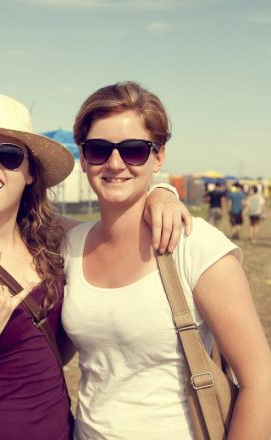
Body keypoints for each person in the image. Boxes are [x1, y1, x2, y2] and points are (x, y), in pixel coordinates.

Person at [0, 93, 189, 440]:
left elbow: (114, 225)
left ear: (31, 173)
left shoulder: (54, 243)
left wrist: (162, 191)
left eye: (8, 155)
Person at [62, 81, 271, 439]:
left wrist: (164, 192)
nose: (115, 163)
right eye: (98, 149)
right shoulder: (71, 244)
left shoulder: (196, 246)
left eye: (134, 150)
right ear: (83, 158)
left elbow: (260, 382)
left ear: (159, 156)